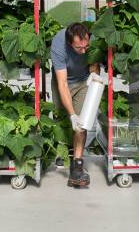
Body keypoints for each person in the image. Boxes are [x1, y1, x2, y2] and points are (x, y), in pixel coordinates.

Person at [50, 22, 99, 187]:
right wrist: (71, 115)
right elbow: (62, 84)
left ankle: (77, 166)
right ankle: (63, 151)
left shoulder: (91, 38)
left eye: (86, 46)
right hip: (64, 82)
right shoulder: (58, 44)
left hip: (84, 80)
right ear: (69, 43)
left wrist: (93, 73)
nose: (83, 51)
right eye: (79, 48)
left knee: (82, 123)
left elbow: (93, 58)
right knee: (63, 118)